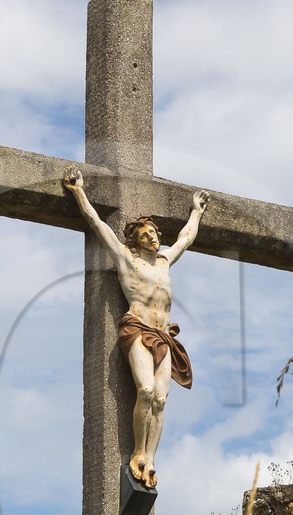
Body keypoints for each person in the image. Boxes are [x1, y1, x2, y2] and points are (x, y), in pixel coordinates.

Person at [62, 167, 209, 489]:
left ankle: (150, 458)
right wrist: (79, 192)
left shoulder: (165, 261)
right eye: (146, 235)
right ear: (136, 240)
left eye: (155, 234)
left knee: (161, 399)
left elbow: (185, 238)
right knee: (144, 391)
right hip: (138, 329)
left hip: (164, 335)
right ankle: (137, 453)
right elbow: (98, 225)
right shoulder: (127, 260)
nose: (153, 238)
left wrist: (196, 212)